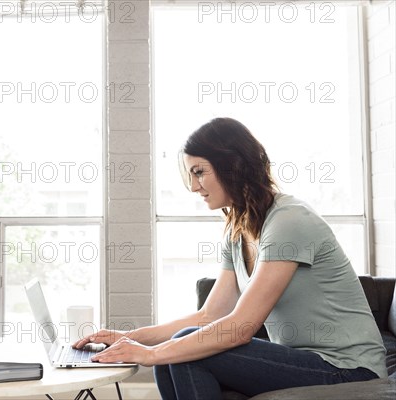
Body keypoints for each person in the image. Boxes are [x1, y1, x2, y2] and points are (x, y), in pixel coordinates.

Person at [73, 118, 387, 399]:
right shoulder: (237, 231)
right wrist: (130, 338)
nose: (194, 186)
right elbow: (208, 317)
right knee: (181, 351)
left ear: (232, 166)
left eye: (199, 172)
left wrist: (152, 354)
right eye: (190, 175)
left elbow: (239, 328)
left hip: (348, 368)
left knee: (183, 350)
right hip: (304, 361)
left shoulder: (290, 221)